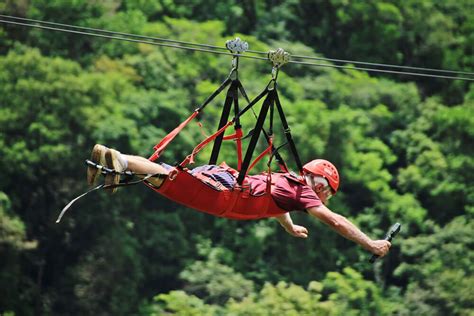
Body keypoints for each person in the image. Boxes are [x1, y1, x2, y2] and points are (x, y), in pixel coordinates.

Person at [87, 144, 391, 258]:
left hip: (222, 184)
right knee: (172, 180)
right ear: (322, 184)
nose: (324, 199)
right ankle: (120, 160)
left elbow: (272, 201)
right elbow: (336, 221)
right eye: (327, 193)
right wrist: (370, 244)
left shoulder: (286, 181)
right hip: (223, 197)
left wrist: (289, 226)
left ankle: (115, 166)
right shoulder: (304, 191)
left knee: (167, 175)